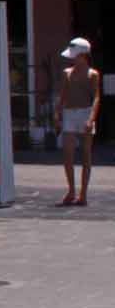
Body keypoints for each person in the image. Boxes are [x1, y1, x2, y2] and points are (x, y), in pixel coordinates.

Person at [55, 36, 101, 207]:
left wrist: (91, 118)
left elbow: (96, 97)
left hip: (85, 112)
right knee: (67, 153)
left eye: (75, 55)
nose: (72, 57)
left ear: (82, 55)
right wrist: (57, 113)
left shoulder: (93, 74)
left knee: (86, 154)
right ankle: (71, 189)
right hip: (69, 113)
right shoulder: (67, 73)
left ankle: (83, 193)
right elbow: (62, 94)